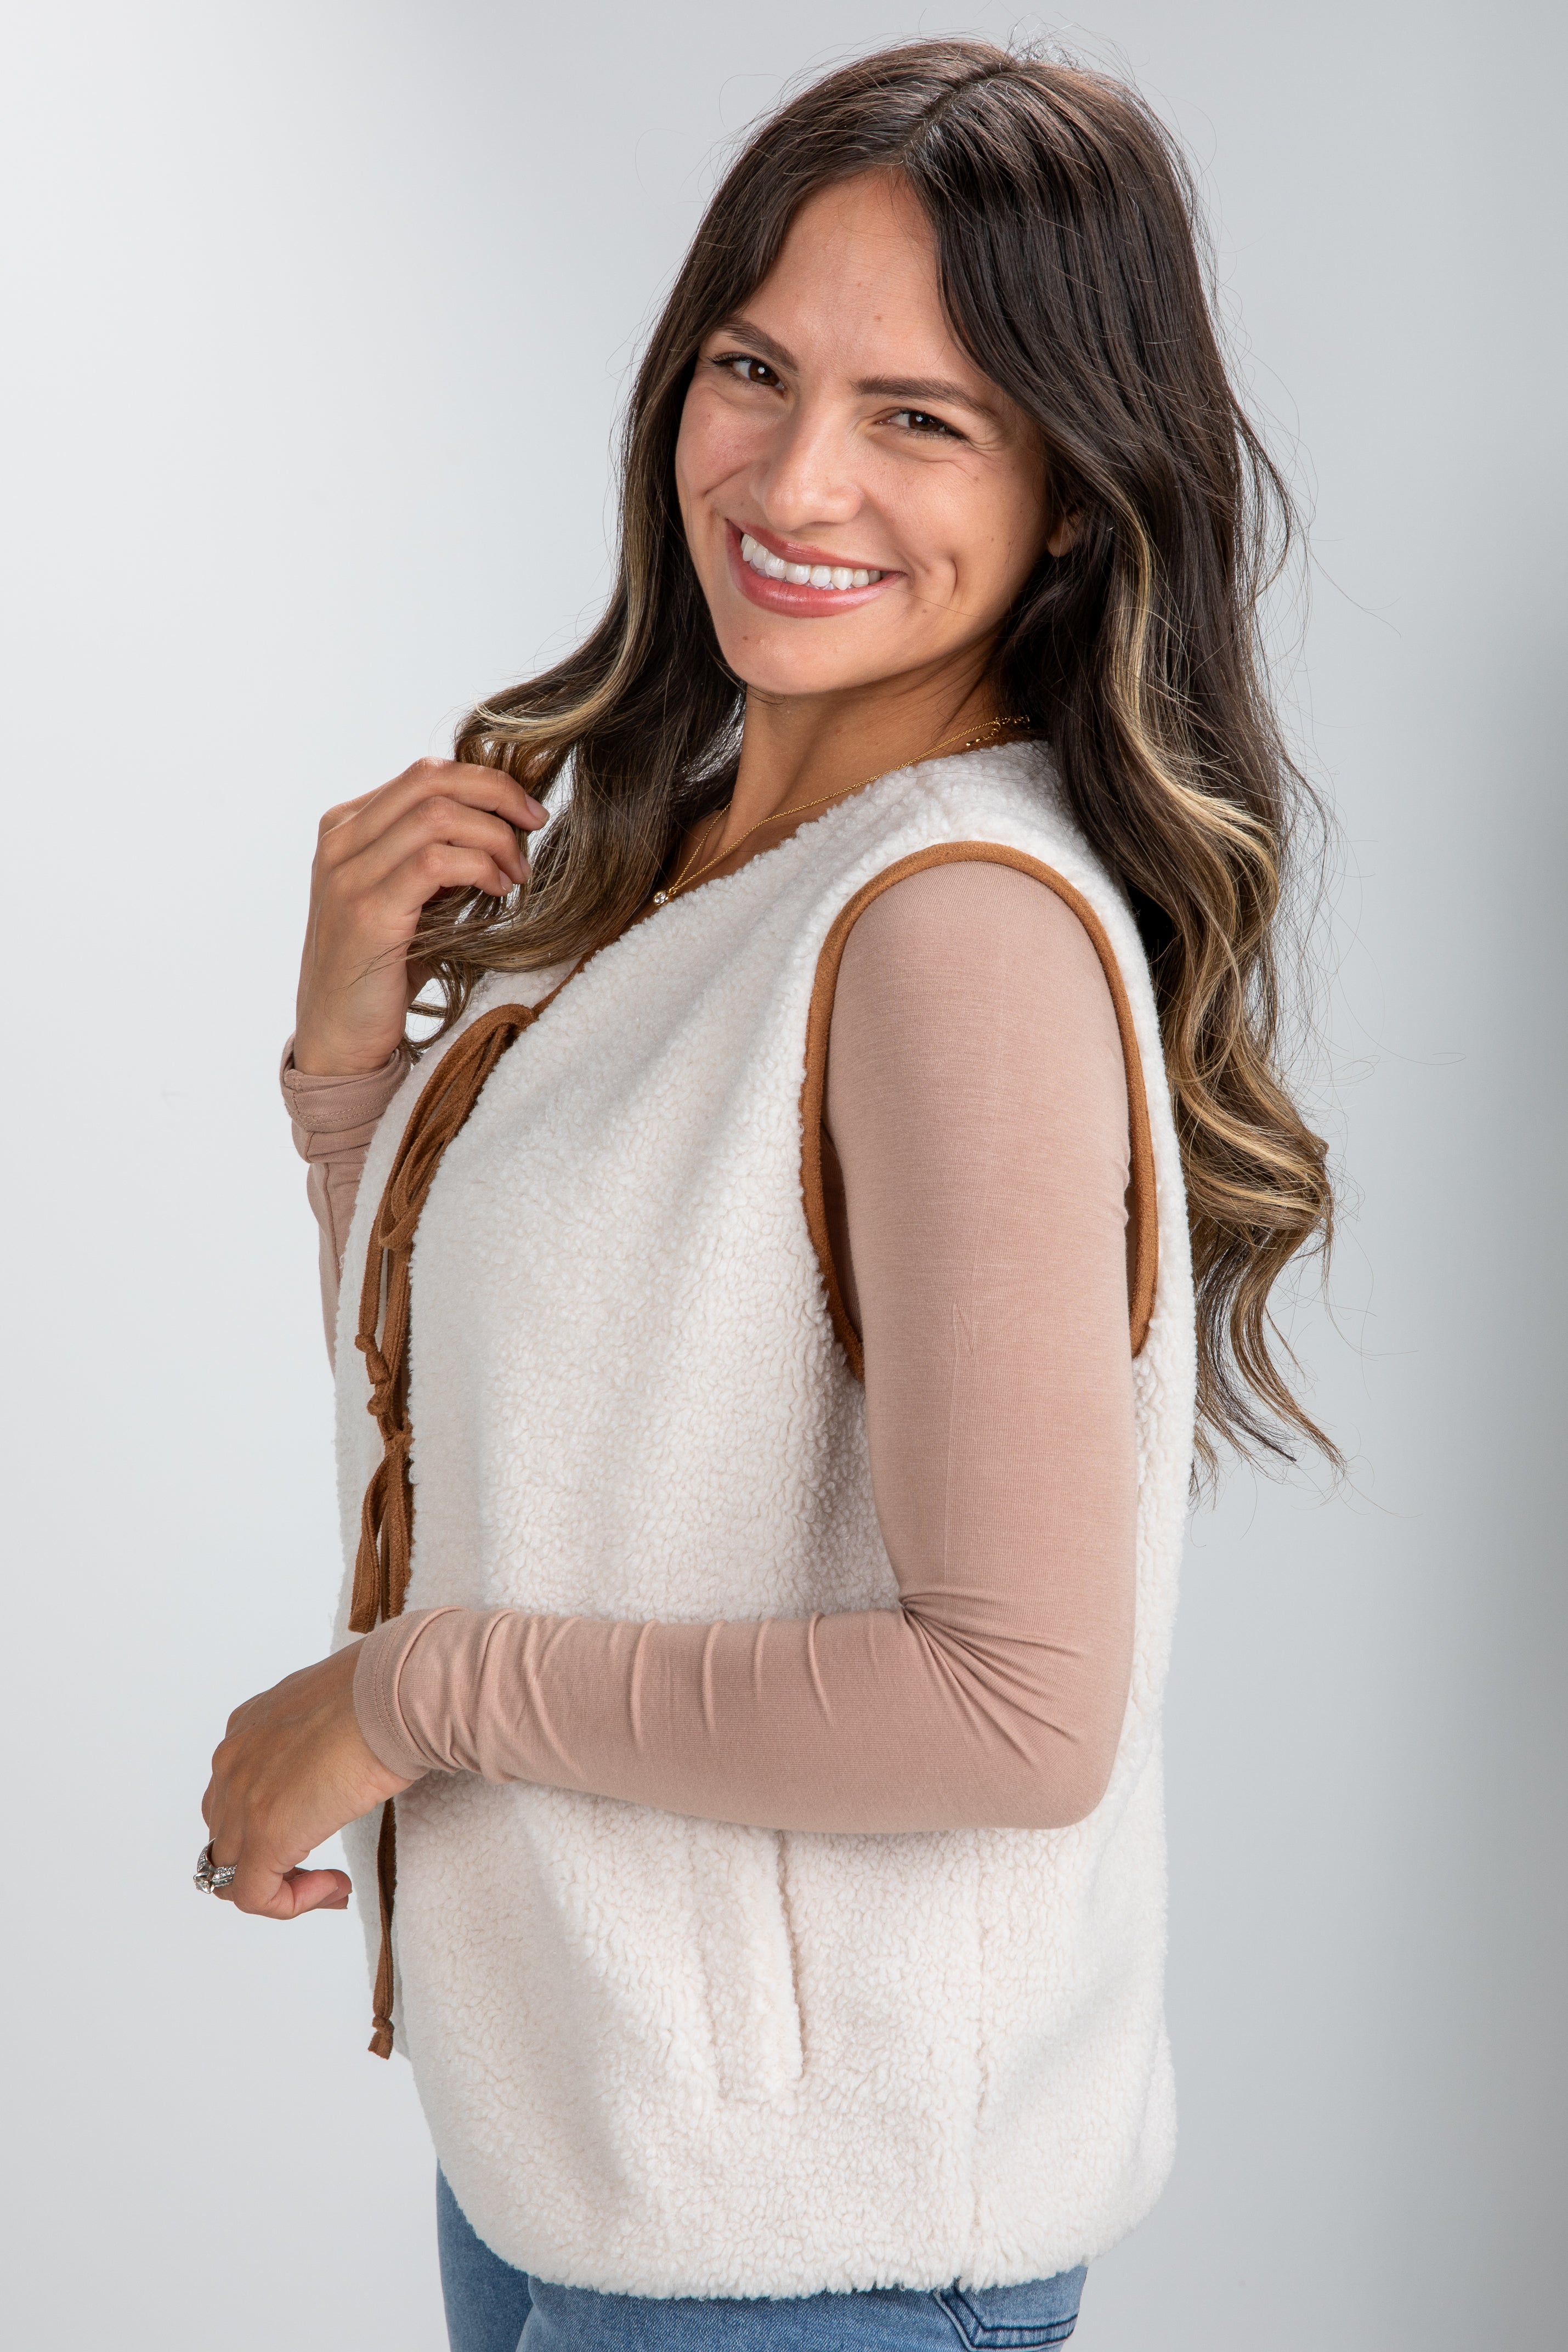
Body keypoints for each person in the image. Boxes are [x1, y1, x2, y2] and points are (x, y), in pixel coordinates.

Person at [199, 39, 1334, 2352]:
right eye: (753, 369)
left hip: (809, 2263)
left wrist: (402, 1694)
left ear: (1075, 494)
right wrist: (347, 1072)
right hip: (588, 2175)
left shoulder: (950, 927)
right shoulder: (718, 865)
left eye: (921, 416)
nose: (797, 478)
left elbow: (1013, 1708)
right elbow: (535, 1420)